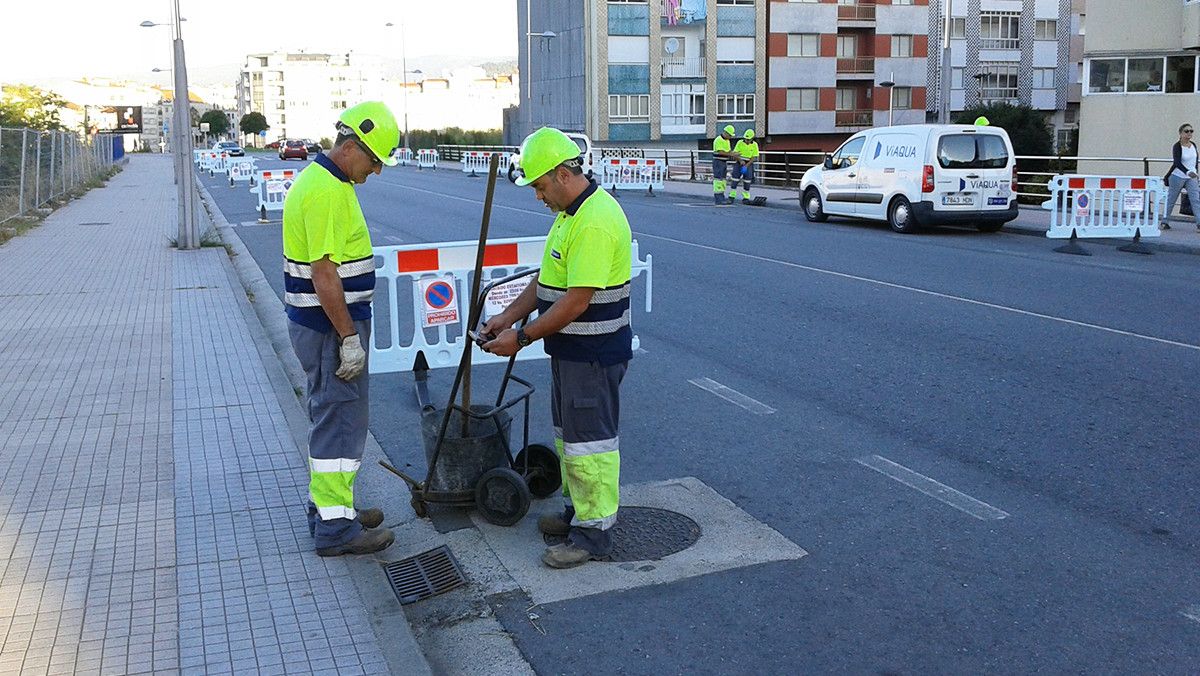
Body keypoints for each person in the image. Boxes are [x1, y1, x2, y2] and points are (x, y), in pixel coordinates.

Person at [481, 127, 633, 569]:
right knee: (571, 439)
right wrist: (507, 316)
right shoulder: (570, 215)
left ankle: (593, 535)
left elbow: (576, 300)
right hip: (572, 353)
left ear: (563, 174)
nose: (538, 196)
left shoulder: (595, 221)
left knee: (591, 444)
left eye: (541, 186)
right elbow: (547, 283)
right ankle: (577, 514)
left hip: (593, 354)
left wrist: (522, 337)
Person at [282, 101, 400, 556]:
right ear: (352, 148)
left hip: (324, 325)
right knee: (340, 420)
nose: (376, 171)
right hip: (330, 329)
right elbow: (324, 274)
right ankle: (335, 529)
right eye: (374, 161)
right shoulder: (327, 191)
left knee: (334, 416)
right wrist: (349, 338)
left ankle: (334, 507)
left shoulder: (329, 182)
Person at [1162, 122, 1200, 231]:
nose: (1189, 133)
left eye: (1191, 131)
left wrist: (1196, 173)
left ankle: (1199, 223)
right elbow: (1177, 162)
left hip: (1191, 177)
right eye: (1186, 131)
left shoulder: (1193, 145)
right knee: (1172, 199)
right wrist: (1187, 172)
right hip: (1178, 176)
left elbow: (1195, 161)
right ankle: (1165, 221)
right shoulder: (1177, 146)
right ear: (1181, 133)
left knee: (1196, 199)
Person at [712, 125, 738, 205]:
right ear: (726, 133)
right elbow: (720, 152)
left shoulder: (727, 141)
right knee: (718, 180)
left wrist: (733, 153)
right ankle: (719, 199)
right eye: (730, 135)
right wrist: (731, 154)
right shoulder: (718, 140)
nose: (730, 137)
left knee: (723, 180)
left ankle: (721, 197)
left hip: (723, 162)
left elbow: (728, 151)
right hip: (718, 162)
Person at [732, 129, 760, 204]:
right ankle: (732, 196)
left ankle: (746, 197)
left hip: (748, 163)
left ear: (752, 139)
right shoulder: (740, 142)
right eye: (745, 139)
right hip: (739, 162)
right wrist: (740, 160)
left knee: (747, 180)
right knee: (735, 179)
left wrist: (746, 166)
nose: (746, 140)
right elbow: (735, 153)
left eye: (748, 139)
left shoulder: (755, 145)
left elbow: (754, 157)